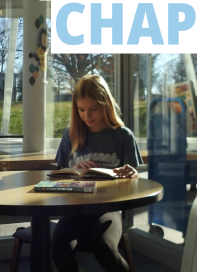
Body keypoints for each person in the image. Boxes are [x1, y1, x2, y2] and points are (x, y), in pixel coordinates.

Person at [52, 74, 142, 272]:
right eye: (81, 110)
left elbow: (135, 177)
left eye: (93, 109)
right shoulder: (71, 134)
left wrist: (132, 172)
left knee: (104, 248)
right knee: (59, 249)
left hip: (108, 208)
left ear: (105, 105)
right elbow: (59, 173)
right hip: (76, 208)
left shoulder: (122, 135)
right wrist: (74, 170)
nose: (87, 115)